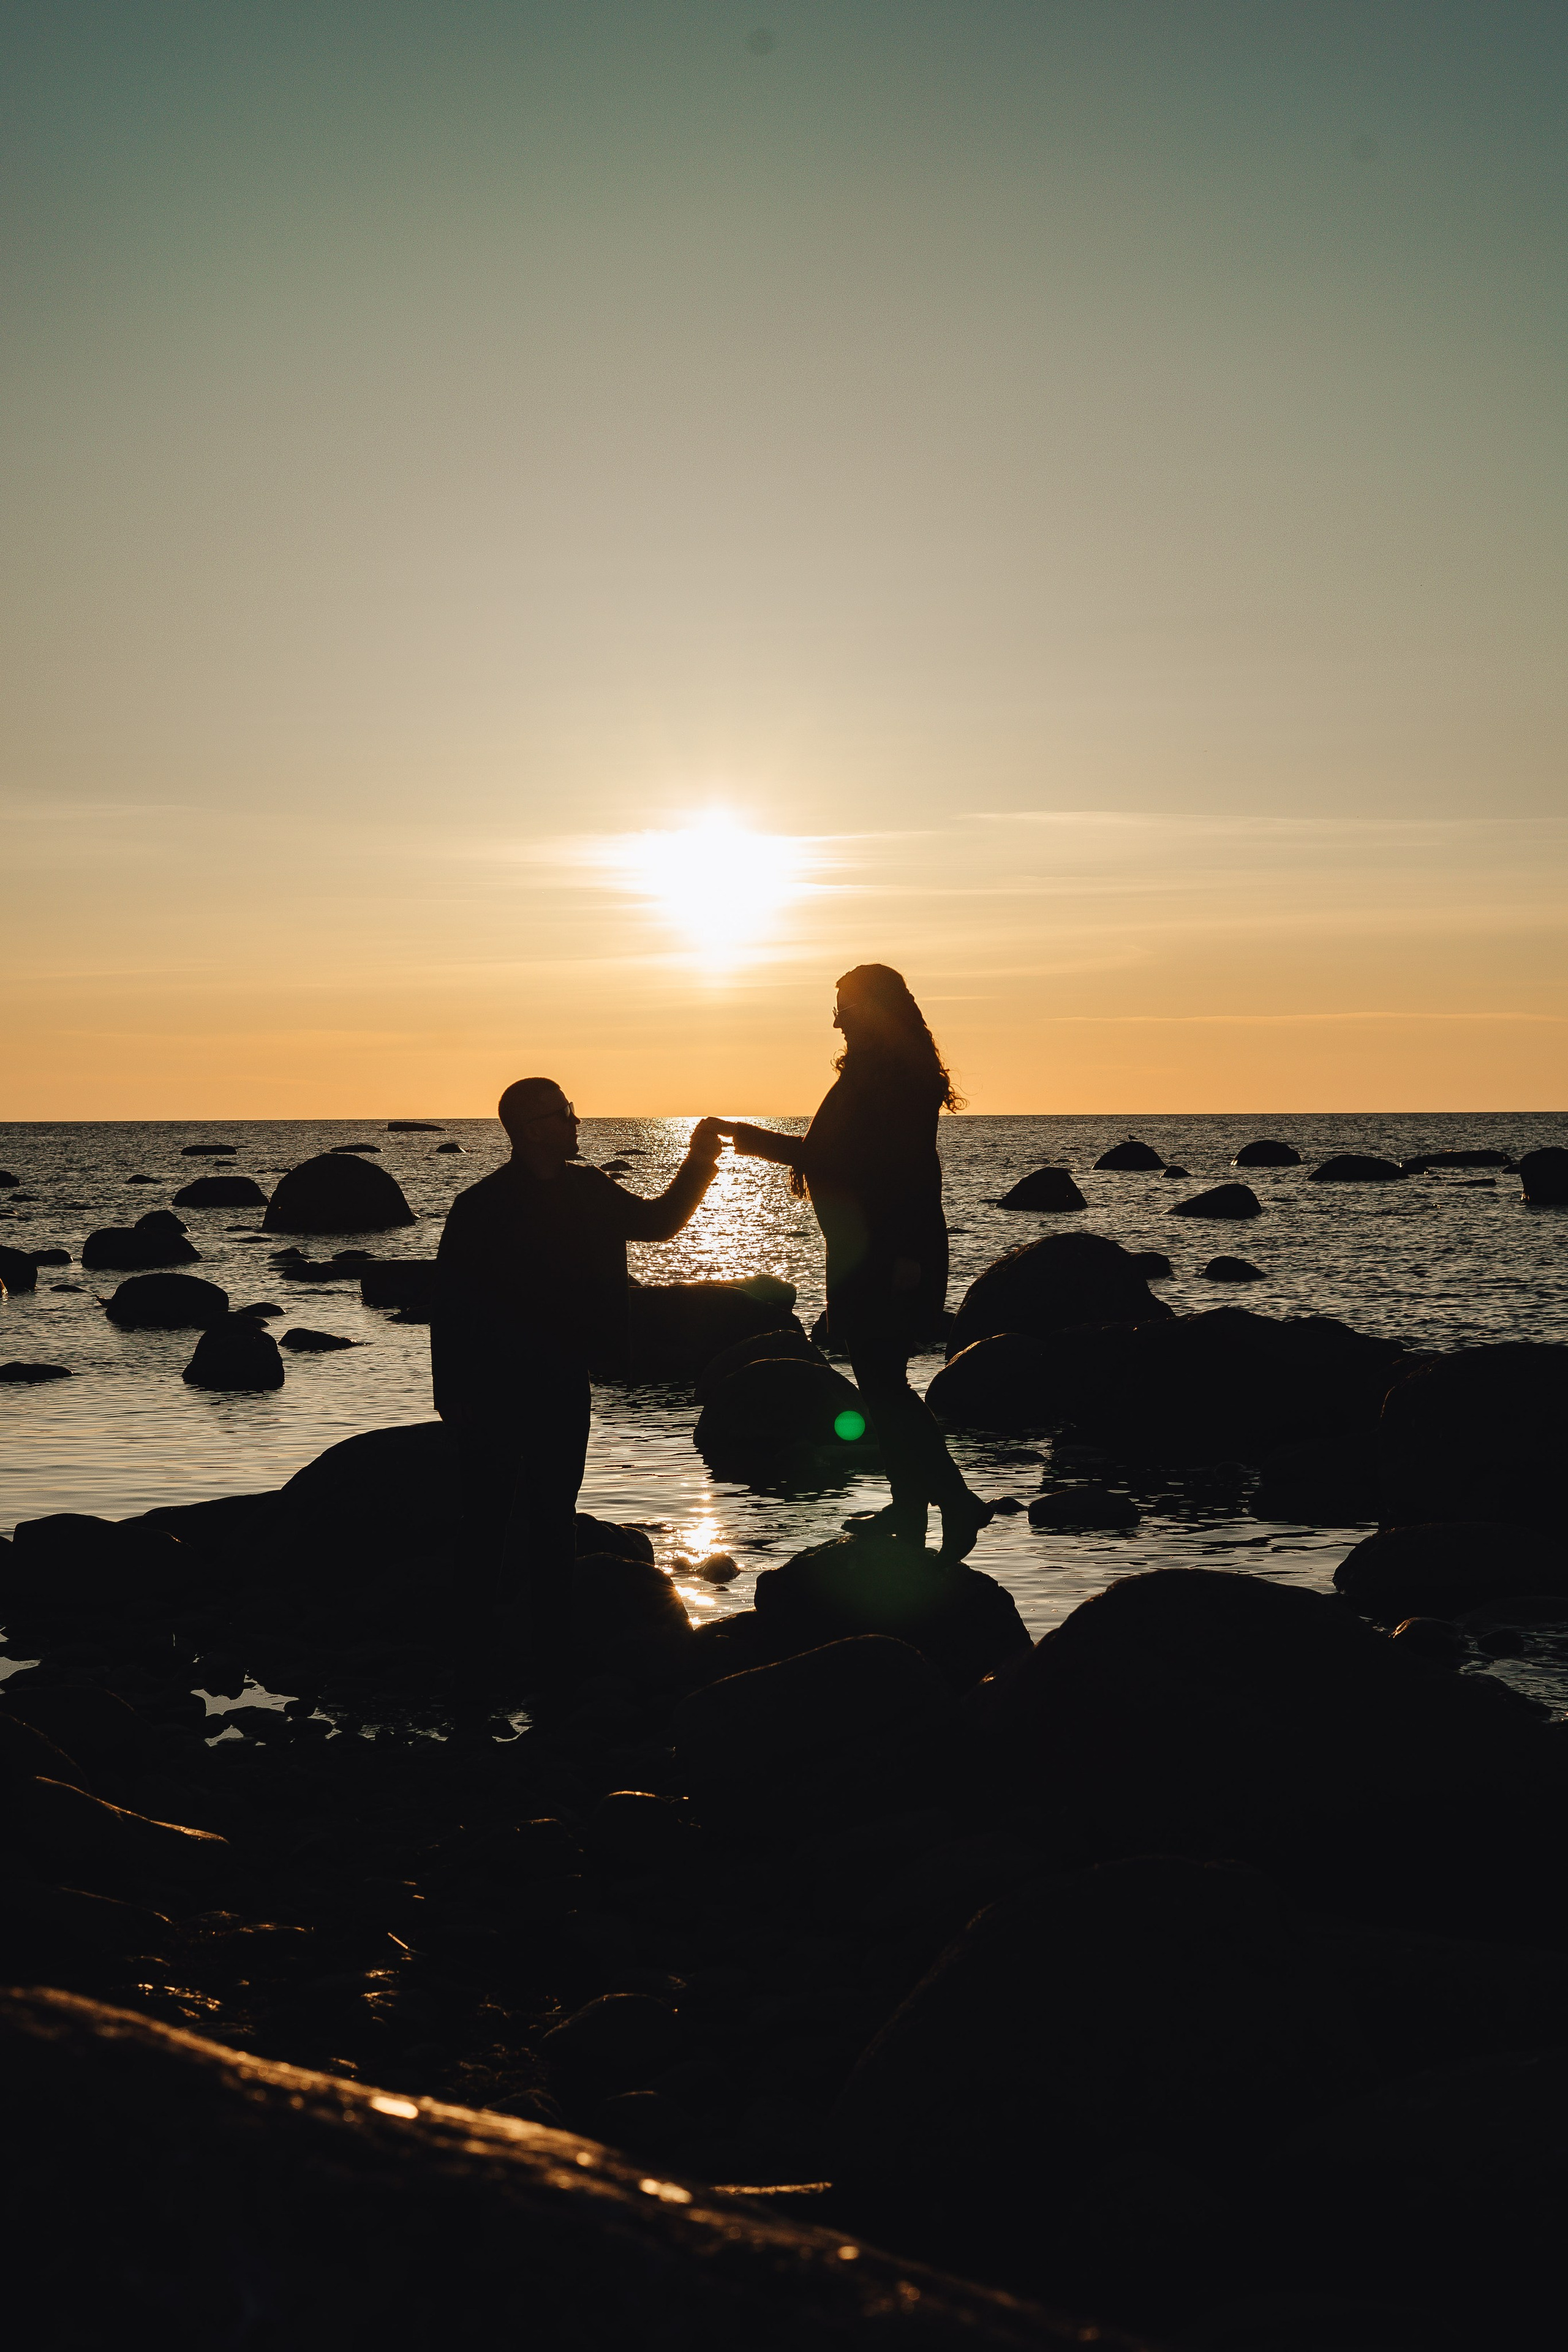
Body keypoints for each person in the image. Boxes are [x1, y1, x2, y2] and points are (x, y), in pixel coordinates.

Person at [432, 1079, 722, 1679]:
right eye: (564, 1114)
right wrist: (450, 1394)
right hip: (492, 1390)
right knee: (485, 1523)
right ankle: (465, 1658)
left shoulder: (588, 1189)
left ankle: (551, 1659)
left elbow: (659, 1222)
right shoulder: (481, 1206)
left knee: (552, 1519)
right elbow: (450, 1305)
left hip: (563, 1379)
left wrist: (699, 1161)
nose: (576, 1122)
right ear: (534, 1128)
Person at [717, 964, 993, 1556]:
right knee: (881, 1382)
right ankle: (911, 1508)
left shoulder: (893, 1075)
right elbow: (835, 1158)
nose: (837, 1017)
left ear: (876, 1009)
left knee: (886, 1385)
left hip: (890, 1252)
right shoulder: (878, 1070)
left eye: (846, 1004)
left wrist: (909, 1258)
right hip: (864, 1248)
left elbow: (906, 1175)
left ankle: (957, 1502)